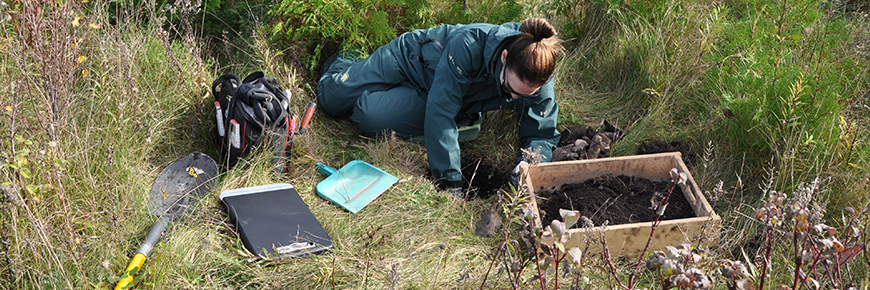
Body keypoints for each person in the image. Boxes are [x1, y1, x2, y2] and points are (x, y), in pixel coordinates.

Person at [317, 18, 563, 198]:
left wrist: (529, 164)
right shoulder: (468, 44)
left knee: (370, 116)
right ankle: (348, 60)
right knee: (331, 99)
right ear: (504, 57)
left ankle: (375, 90)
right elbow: (442, 112)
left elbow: (541, 132)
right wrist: (450, 180)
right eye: (508, 87)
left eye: (522, 95)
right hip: (410, 61)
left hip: (441, 94)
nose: (512, 96)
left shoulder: (539, 75)